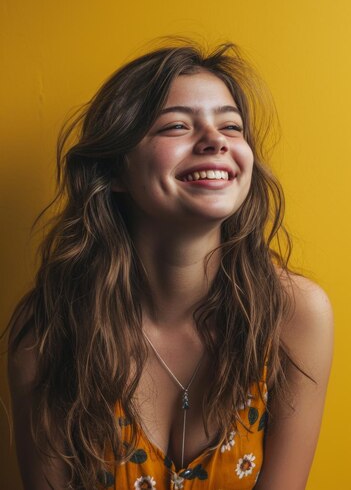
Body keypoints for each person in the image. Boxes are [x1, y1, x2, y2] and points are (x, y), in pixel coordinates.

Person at [6, 39, 333, 490]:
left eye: (231, 126)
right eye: (177, 126)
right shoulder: (48, 331)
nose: (215, 141)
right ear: (114, 172)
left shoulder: (294, 316)